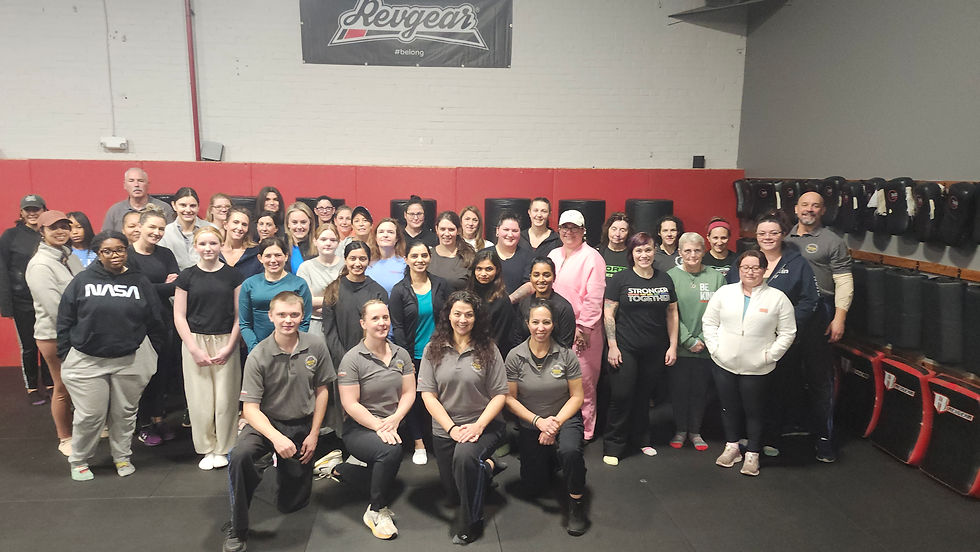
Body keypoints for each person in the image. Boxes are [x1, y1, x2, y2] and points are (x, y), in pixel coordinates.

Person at [223, 291, 335, 552]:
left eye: (294, 314)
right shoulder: (258, 354)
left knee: (292, 504)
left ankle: (274, 472)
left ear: (303, 316)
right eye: (282, 314)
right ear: (271, 316)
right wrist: (276, 438)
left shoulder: (316, 345)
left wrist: (314, 434)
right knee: (240, 456)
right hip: (266, 423)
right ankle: (237, 527)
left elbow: (322, 391)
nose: (288, 320)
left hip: (301, 424)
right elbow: (250, 409)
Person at [57, 230, 166, 481]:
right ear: (98, 253)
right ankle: (79, 459)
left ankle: (122, 456)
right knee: (90, 415)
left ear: (126, 251)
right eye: (107, 251)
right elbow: (65, 319)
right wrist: (66, 353)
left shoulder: (139, 281)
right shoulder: (82, 280)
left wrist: (152, 350)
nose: (115, 255)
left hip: (130, 360)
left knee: (125, 413)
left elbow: (155, 320)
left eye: (119, 249)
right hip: (87, 360)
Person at [418, 290, 508, 545]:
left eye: (469, 315)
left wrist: (478, 426)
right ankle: (487, 467)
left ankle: (472, 522)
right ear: (448, 315)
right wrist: (451, 429)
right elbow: (428, 395)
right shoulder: (432, 349)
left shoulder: (488, 349)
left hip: (484, 425)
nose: (463, 319)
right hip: (446, 429)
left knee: (465, 457)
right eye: (457, 313)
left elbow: (500, 395)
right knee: (455, 492)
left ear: (476, 318)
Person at [320, 300, 416, 540]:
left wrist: (395, 418)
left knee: (386, 478)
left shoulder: (401, 354)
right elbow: (350, 403)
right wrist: (378, 426)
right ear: (363, 323)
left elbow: (409, 393)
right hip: (360, 429)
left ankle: (338, 468)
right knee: (390, 452)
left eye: (385, 317)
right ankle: (375, 511)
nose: (382, 323)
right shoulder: (352, 359)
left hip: (392, 424)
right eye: (375, 318)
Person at [727, 211, 819, 457]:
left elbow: (809, 300)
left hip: (781, 341)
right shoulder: (744, 261)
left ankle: (770, 438)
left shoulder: (797, 264)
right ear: (756, 236)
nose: (768, 237)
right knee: (745, 391)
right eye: (762, 233)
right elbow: (730, 294)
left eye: (773, 233)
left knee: (777, 390)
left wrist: (784, 325)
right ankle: (744, 438)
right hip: (747, 340)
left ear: (783, 234)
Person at [702, 250, 797, 477]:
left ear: (764, 270)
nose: (750, 272)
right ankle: (732, 447)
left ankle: (753, 453)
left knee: (754, 411)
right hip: (724, 362)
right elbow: (709, 323)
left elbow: (788, 332)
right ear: (739, 269)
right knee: (728, 407)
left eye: (755, 267)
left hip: (758, 367)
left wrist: (769, 356)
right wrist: (715, 349)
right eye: (745, 267)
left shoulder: (777, 298)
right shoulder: (724, 293)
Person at [504, 299, 588, 536]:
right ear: (527, 323)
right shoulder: (514, 356)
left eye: (546, 322)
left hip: (564, 417)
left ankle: (576, 503)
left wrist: (554, 424)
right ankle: (550, 460)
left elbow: (577, 397)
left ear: (553, 325)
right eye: (535, 322)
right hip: (532, 421)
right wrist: (538, 422)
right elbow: (509, 399)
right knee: (533, 487)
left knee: (570, 451)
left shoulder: (566, 355)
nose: (540, 328)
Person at [784, 191, 854, 462]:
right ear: (796, 208)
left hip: (820, 313)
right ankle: (790, 426)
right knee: (787, 374)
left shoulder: (832, 241)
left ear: (823, 210)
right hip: (788, 311)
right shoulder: (784, 239)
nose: (809, 209)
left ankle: (824, 438)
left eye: (815, 206)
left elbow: (844, 282)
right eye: (805, 205)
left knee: (819, 378)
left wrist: (839, 317)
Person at [602, 232, 678, 465]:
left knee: (644, 397)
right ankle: (614, 445)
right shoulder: (621, 279)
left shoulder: (665, 279)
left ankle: (642, 439)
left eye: (648, 250)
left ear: (654, 251)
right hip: (626, 348)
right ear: (631, 253)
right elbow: (608, 313)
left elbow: (672, 313)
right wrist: (612, 346)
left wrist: (673, 345)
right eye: (639, 250)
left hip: (654, 350)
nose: (644, 255)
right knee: (622, 395)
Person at [173, 226, 244, 471]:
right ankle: (207, 448)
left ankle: (224, 447)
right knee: (200, 400)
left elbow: (239, 315)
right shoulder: (187, 276)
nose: (208, 248)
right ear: (195, 247)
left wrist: (230, 346)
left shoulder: (233, 276)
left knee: (225, 399)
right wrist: (193, 348)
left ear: (221, 245)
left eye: (213, 243)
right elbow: (179, 315)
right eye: (202, 244)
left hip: (226, 341)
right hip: (195, 341)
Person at [26, 210, 84, 456]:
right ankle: (65, 437)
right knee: (63, 386)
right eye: (54, 227)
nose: (61, 231)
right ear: (42, 231)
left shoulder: (70, 257)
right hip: (54, 336)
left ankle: (85, 429)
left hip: (81, 331)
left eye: (64, 226)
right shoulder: (40, 265)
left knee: (82, 384)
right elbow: (54, 308)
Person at [390, 240, 451, 464]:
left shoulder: (441, 284)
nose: (420, 260)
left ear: (429, 257)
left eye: (424, 255)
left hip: (441, 352)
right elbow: (397, 327)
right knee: (415, 400)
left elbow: (450, 317)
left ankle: (439, 438)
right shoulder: (399, 290)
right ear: (406, 259)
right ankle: (419, 443)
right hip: (413, 355)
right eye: (414, 256)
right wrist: (406, 358)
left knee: (440, 397)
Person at [548, 210, 606, 441]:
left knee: (583, 382)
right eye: (565, 227)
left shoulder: (593, 257)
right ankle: (560, 427)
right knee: (556, 380)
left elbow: (594, 297)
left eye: (574, 228)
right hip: (555, 328)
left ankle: (585, 431)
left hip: (583, 332)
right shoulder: (553, 254)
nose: (569, 232)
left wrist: (583, 327)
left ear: (583, 231)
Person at [321, 241, 389, 435]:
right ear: (345, 260)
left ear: (368, 260)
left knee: (370, 406)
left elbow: (381, 328)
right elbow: (329, 330)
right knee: (345, 409)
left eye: (362, 258)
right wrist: (345, 359)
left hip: (371, 360)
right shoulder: (333, 289)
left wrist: (366, 359)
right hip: (341, 359)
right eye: (352, 258)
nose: (357, 263)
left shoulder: (377, 291)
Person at [127, 209, 181, 446]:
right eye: (152, 227)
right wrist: (160, 285)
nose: (157, 232)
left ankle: (159, 418)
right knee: (142, 375)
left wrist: (148, 286)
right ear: (140, 226)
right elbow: (132, 289)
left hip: (164, 320)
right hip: (138, 323)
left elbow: (176, 285)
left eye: (161, 228)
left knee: (162, 372)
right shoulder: (128, 256)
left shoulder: (165, 254)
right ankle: (143, 424)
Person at [667, 232, 724, 451]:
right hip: (680, 347)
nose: (692, 255)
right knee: (679, 391)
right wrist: (687, 340)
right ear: (680, 252)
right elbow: (669, 312)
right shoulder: (670, 277)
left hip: (706, 347)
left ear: (704, 251)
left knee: (700, 391)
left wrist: (702, 339)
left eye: (697, 250)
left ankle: (695, 431)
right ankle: (680, 430)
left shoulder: (716, 277)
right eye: (687, 250)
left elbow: (721, 311)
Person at [1, 194, 51, 405]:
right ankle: (32, 387)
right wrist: (6, 304)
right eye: (28, 210)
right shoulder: (10, 236)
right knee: (29, 346)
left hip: (46, 300)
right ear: (21, 212)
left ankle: (50, 383)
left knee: (49, 342)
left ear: (44, 210)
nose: (32, 213)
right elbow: (2, 269)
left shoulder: (49, 233)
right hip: (21, 301)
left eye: (36, 209)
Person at [239, 237, 312, 352]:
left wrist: (293, 347)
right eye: (268, 256)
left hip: (291, 349)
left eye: (278, 255)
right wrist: (255, 349)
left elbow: (305, 322)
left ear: (286, 256)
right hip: (258, 349)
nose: (273, 260)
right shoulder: (249, 284)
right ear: (260, 258)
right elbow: (245, 324)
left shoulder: (299, 284)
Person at [468, 249, 519, 359]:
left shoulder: (502, 301)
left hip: (491, 356)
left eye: (489, 269)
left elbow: (500, 338)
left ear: (497, 270)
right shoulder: (467, 295)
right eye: (479, 269)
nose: (483, 274)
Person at [515, 257, 576, 349]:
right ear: (530, 277)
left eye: (546, 275)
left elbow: (566, 345)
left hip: (557, 357)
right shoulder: (524, 303)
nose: (541, 279)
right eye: (536, 275)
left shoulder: (564, 308)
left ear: (554, 277)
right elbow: (518, 337)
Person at [297, 223, 344, 336]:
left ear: (338, 243)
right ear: (315, 241)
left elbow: (349, 299)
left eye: (333, 240)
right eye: (323, 239)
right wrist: (336, 303)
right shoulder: (305, 267)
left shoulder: (346, 266)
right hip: (314, 324)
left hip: (341, 323)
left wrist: (320, 303)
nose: (328, 243)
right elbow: (307, 301)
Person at [101, 167, 175, 232]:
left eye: (140, 181)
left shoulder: (163, 208)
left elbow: (171, 236)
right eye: (131, 181)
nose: (136, 185)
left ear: (148, 185)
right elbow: (105, 238)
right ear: (125, 185)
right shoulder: (115, 211)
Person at [159, 187, 214, 270]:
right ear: (174, 206)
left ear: (198, 207)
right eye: (183, 205)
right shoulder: (165, 232)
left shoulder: (211, 229)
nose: (188, 210)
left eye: (192, 206)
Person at [428, 210, 475, 291]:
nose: (447, 234)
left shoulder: (469, 256)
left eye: (451, 229)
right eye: (442, 229)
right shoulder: (427, 255)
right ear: (436, 229)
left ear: (458, 231)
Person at [490, 210, 535, 296]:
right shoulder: (484, 255)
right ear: (497, 231)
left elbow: (530, 285)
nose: (510, 234)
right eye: (506, 230)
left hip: (518, 304)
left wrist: (509, 301)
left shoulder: (528, 257)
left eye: (514, 231)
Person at [365, 217, 407, 295]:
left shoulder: (405, 264)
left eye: (390, 232)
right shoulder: (366, 263)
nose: (385, 235)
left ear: (397, 238)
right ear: (375, 237)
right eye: (381, 232)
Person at [220, 207, 262, 279]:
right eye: (235, 222)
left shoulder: (255, 254)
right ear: (225, 225)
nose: (240, 228)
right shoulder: (214, 252)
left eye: (244, 224)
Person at [284, 202, 317, 274]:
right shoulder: (281, 246)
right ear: (288, 224)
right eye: (294, 222)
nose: (299, 227)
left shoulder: (318, 246)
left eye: (303, 222)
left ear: (310, 223)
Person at [599, 212, 630, 280]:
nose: (617, 234)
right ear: (607, 230)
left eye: (622, 230)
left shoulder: (632, 255)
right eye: (614, 229)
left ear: (628, 233)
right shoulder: (597, 252)